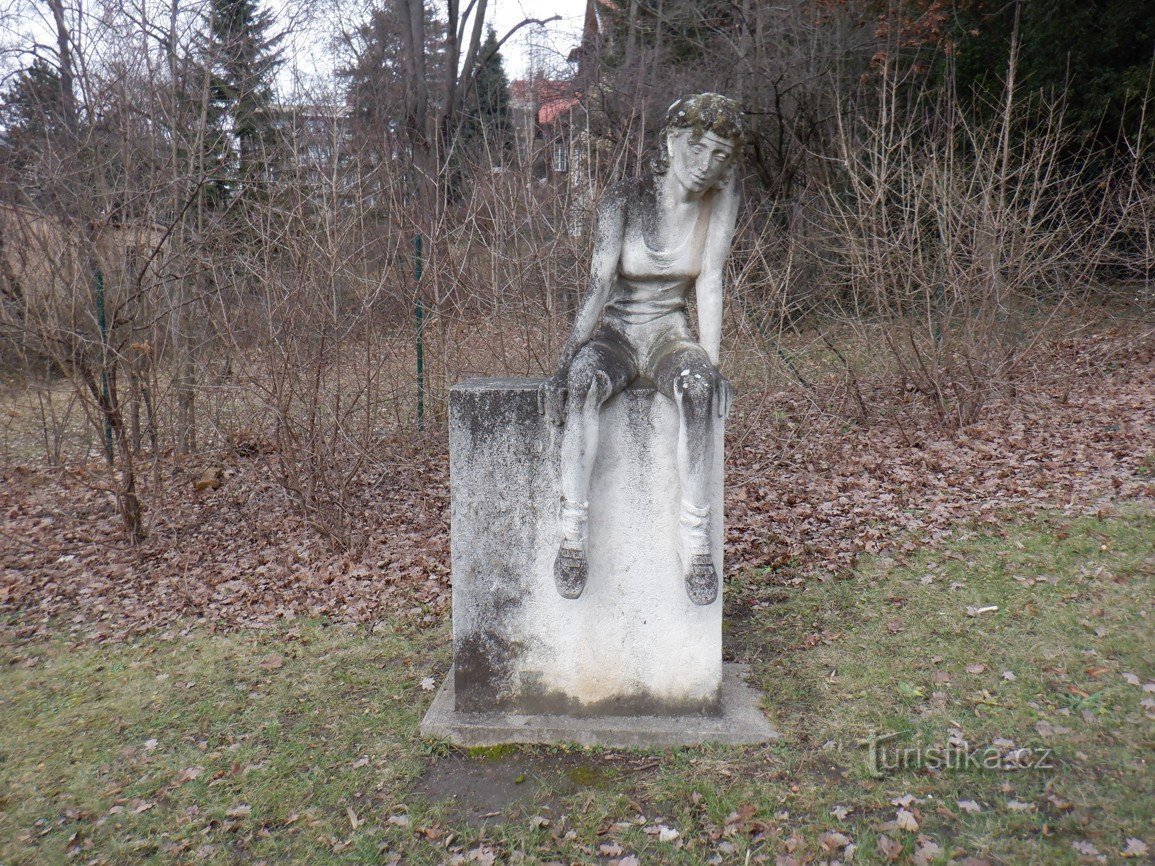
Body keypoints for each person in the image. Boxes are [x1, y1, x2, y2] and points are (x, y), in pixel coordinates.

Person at [539, 93, 746, 606]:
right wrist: (566, 360)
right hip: (616, 332)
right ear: (671, 143)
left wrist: (713, 365)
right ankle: (572, 531)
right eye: (697, 147)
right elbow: (599, 282)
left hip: (669, 332)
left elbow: (711, 280)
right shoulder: (624, 198)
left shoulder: (721, 198)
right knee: (584, 382)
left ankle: (696, 540)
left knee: (698, 390)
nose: (706, 164)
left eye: (719, 155)